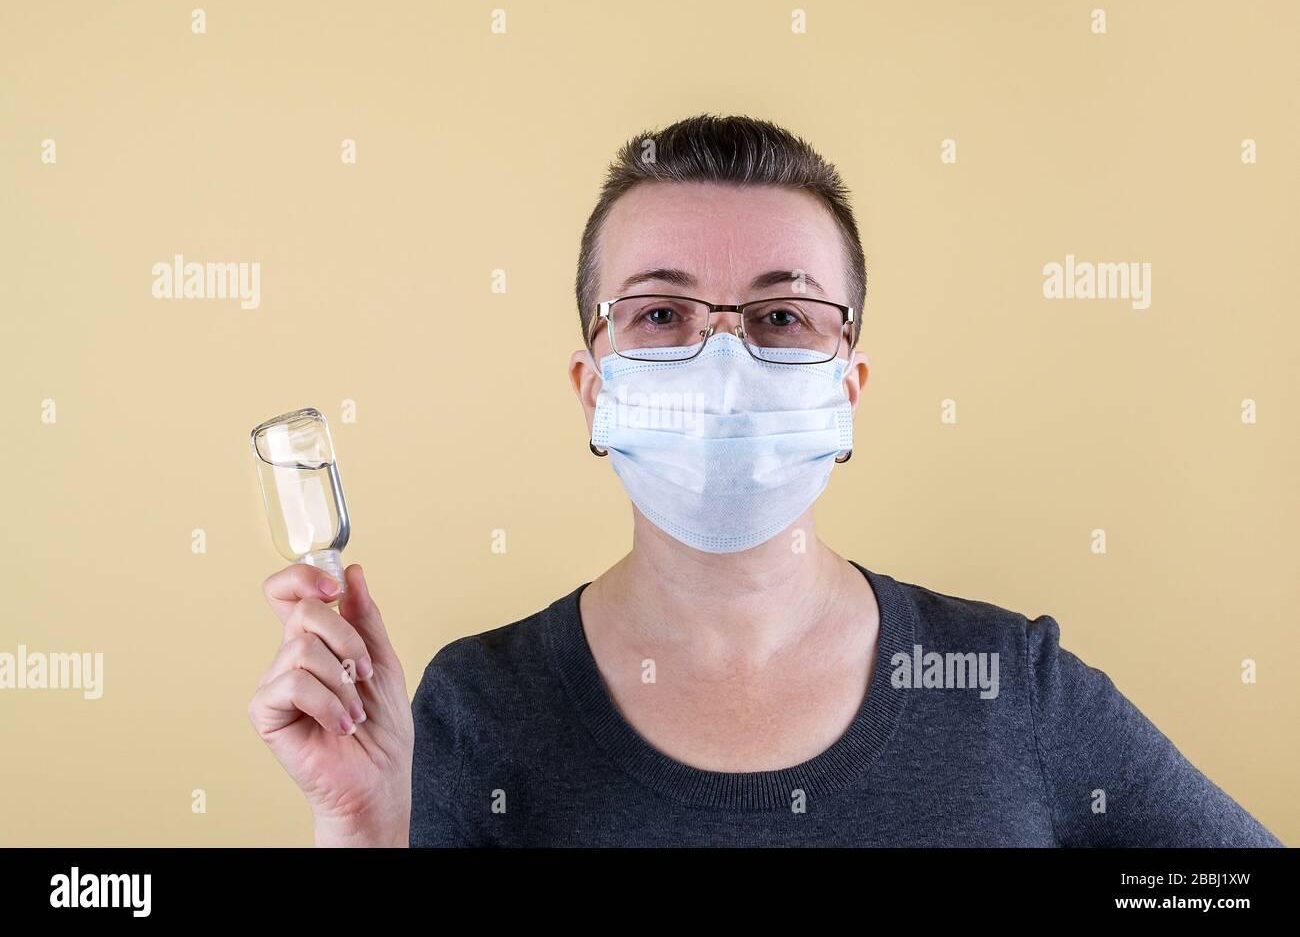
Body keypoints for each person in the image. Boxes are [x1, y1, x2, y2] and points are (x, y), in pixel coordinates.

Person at [248, 114, 1282, 847]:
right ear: (591, 385)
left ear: (849, 383)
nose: (724, 361)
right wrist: (361, 827)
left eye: (781, 316)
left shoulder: (1011, 683)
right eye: (661, 313)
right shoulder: (478, 706)